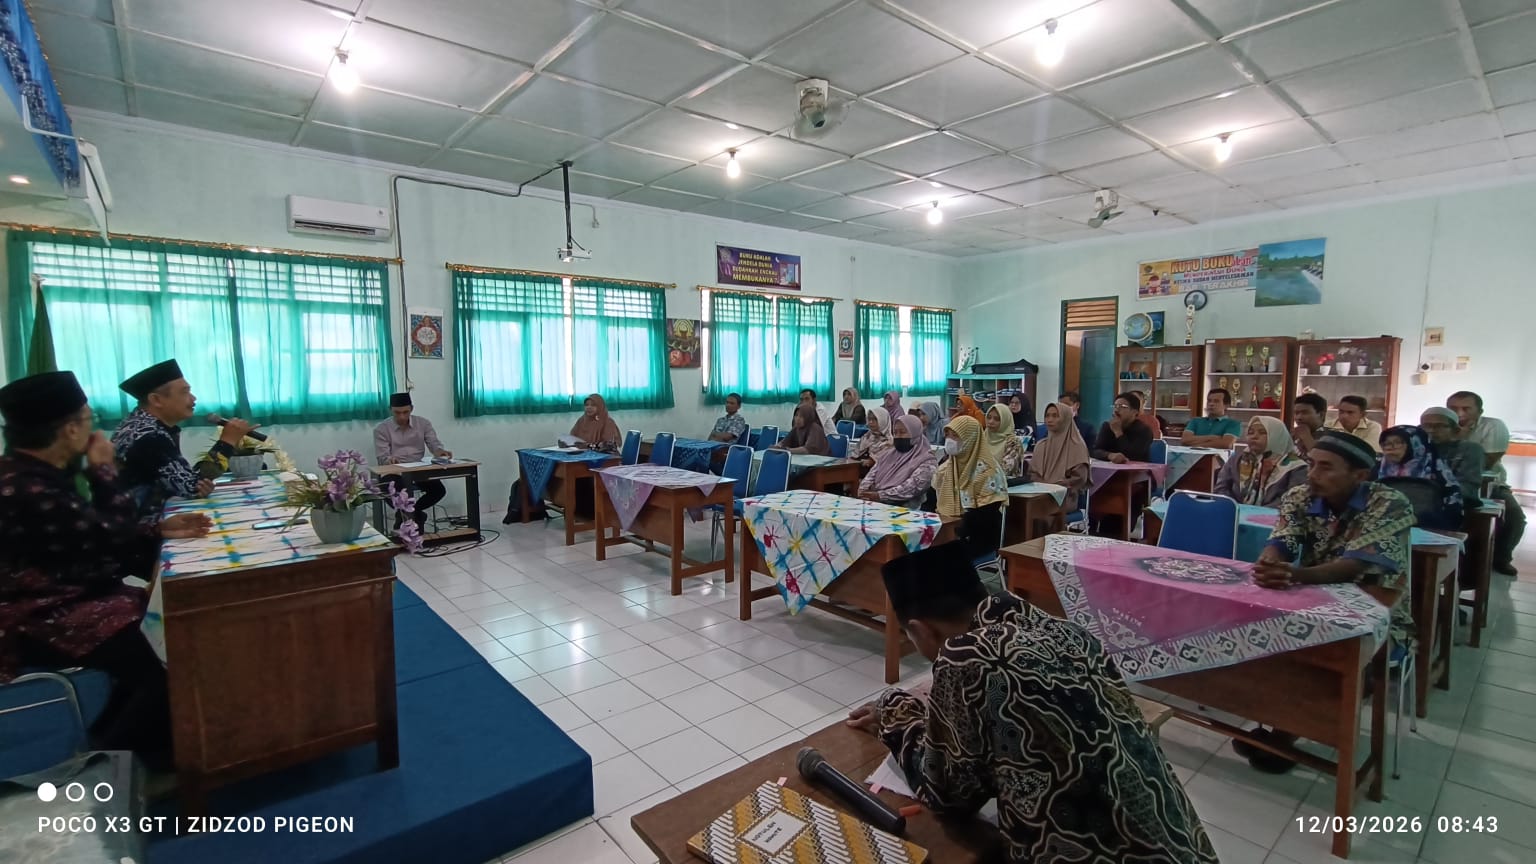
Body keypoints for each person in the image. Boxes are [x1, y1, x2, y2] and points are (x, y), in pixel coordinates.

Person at [847, 542, 1217, 864]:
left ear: (921, 630)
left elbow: (948, 791)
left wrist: (895, 712)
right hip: (1179, 844)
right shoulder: (1066, 630)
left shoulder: (965, 656)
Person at [0, 371, 212, 764]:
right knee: (172, 658)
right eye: (87, 418)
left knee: (162, 622)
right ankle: (108, 762)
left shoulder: (30, 473)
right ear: (68, 430)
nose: (94, 427)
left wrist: (156, 528)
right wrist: (103, 470)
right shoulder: (27, 487)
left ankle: (132, 732)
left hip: (82, 591)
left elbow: (90, 530)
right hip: (45, 614)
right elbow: (108, 536)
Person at [1245, 431, 1415, 774]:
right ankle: (1285, 725)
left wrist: (1294, 576)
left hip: (1377, 612)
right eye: (1311, 464)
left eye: (1326, 467)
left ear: (1360, 475)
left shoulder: (1390, 503)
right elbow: (1284, 538)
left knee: (1336, 657)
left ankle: (1288, 734)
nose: (1312, 474)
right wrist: (1270, 560)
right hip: (1311, 600)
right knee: (1261, 636)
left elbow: (1355, 566)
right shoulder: (1301, 495)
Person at [112, 359, 256, 514]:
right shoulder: (148, 435)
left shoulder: (142, 424)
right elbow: (192, 488)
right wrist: (227, 441)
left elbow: (188, 481)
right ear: (156, 400)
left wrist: (197, 483)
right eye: (184, 392)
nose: (193, 398)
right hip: (136, 526)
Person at [1448, 390, 1525, 575]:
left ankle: (1501, 558)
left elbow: (1484, 463)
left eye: (1466, 408)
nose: (1459, 414)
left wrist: (1459, 437)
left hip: (1489, 485)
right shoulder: (1441, 424)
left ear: (1480, 411)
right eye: (1453, 408)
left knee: (1514, 517)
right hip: (1448, 483)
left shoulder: (1493, 426)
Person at [374, 392, 452, 532]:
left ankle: (412, 514)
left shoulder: (423, 423)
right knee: (389, 491)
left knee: (439, 490)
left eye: (405, 412)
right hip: (394, 470)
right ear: (390, 409)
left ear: (412, 409)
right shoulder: (381, 429)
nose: (402, 417)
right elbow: (382, 456)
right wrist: (389, 459)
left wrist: (440, 452)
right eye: (397, 413)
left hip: (417, 468)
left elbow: (434, 443)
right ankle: (415, 517)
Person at [933, 415, 1008, 560]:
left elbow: (985, 518)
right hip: (949, 531)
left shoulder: (988, 472)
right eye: (948, 435)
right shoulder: (948, 467)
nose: (949, 440)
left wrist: (953, 530)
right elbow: (931, 499)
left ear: (970, 439)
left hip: (979, 536)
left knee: (940, 558)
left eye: (955, 436)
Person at [1374, 424, 1463, 531]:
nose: (1390, 447)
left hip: (1428, 531)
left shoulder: (1438, 472)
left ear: (1416, 444)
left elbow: (1452, 514)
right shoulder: (1375, 470)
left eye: (1398, 442)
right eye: (1386, 443)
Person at [1214, 416, 1308, 507]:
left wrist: (1259, 514)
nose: (1254, 437)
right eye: (1250, 432)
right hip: (1235, 514)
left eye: (1262, 432)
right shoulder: (1237, 459)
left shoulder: (1296, 467)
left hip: (1275, 519)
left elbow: (1293, 501)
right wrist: (1234, 507)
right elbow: (1221, 488)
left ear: (1277, 436)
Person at [858, 415, 937, 509]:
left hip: (907, 509)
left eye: (903, 432)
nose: (898, 436)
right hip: (877, 503)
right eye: (895, 433)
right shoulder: (888, 454)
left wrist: (880, 496)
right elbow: (873, 473)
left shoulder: (927, 460)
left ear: (915, 433)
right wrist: (863, 490)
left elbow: (912, 488)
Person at [1031, 401, 1091, 513]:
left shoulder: (1077, 446)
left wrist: (1054, 487)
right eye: (1047, 416)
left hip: (1065, 497)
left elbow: (1079, 478)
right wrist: (1042, 487)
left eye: (1055, 416)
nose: (1049, 420)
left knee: (1039, 510)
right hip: (1039, 495)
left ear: (1066, 418)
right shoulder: (1040, 445)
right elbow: (1032, 473)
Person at [1419, 406, 1484, 502]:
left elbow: (1468, 487)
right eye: (1427, 426)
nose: (1431, 430)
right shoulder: (1415, 448)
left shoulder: (1469, 449)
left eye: (1439, 426)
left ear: (1455, 430)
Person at [1092, 392, 1153, 463]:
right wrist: (1109, 455)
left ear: (1135, 412)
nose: (1116, 410)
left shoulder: (1144, 430)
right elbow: (1095, 451)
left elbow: (1133, 456)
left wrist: (1118, 432)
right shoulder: (1107, 426)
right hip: (1109, 469)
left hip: (1136, 471)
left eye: (1122, 407)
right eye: (1115, 406)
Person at [985, 403, 1027, 483]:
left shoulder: (1013, 443)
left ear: (1005, 420)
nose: (991, 422)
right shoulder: (983, 437)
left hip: (1005, 488)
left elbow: (1005, 470)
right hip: (981, 486)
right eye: (989, 417)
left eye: (997, 419)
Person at [1291, 392, 1329, 456]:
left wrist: (1306, 438)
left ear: (1321, 415)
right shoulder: (1293, 436)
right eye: (1296, 413)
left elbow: (1322, 460)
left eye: (1305, 413)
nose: (1299, 417)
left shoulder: (1332, 438)